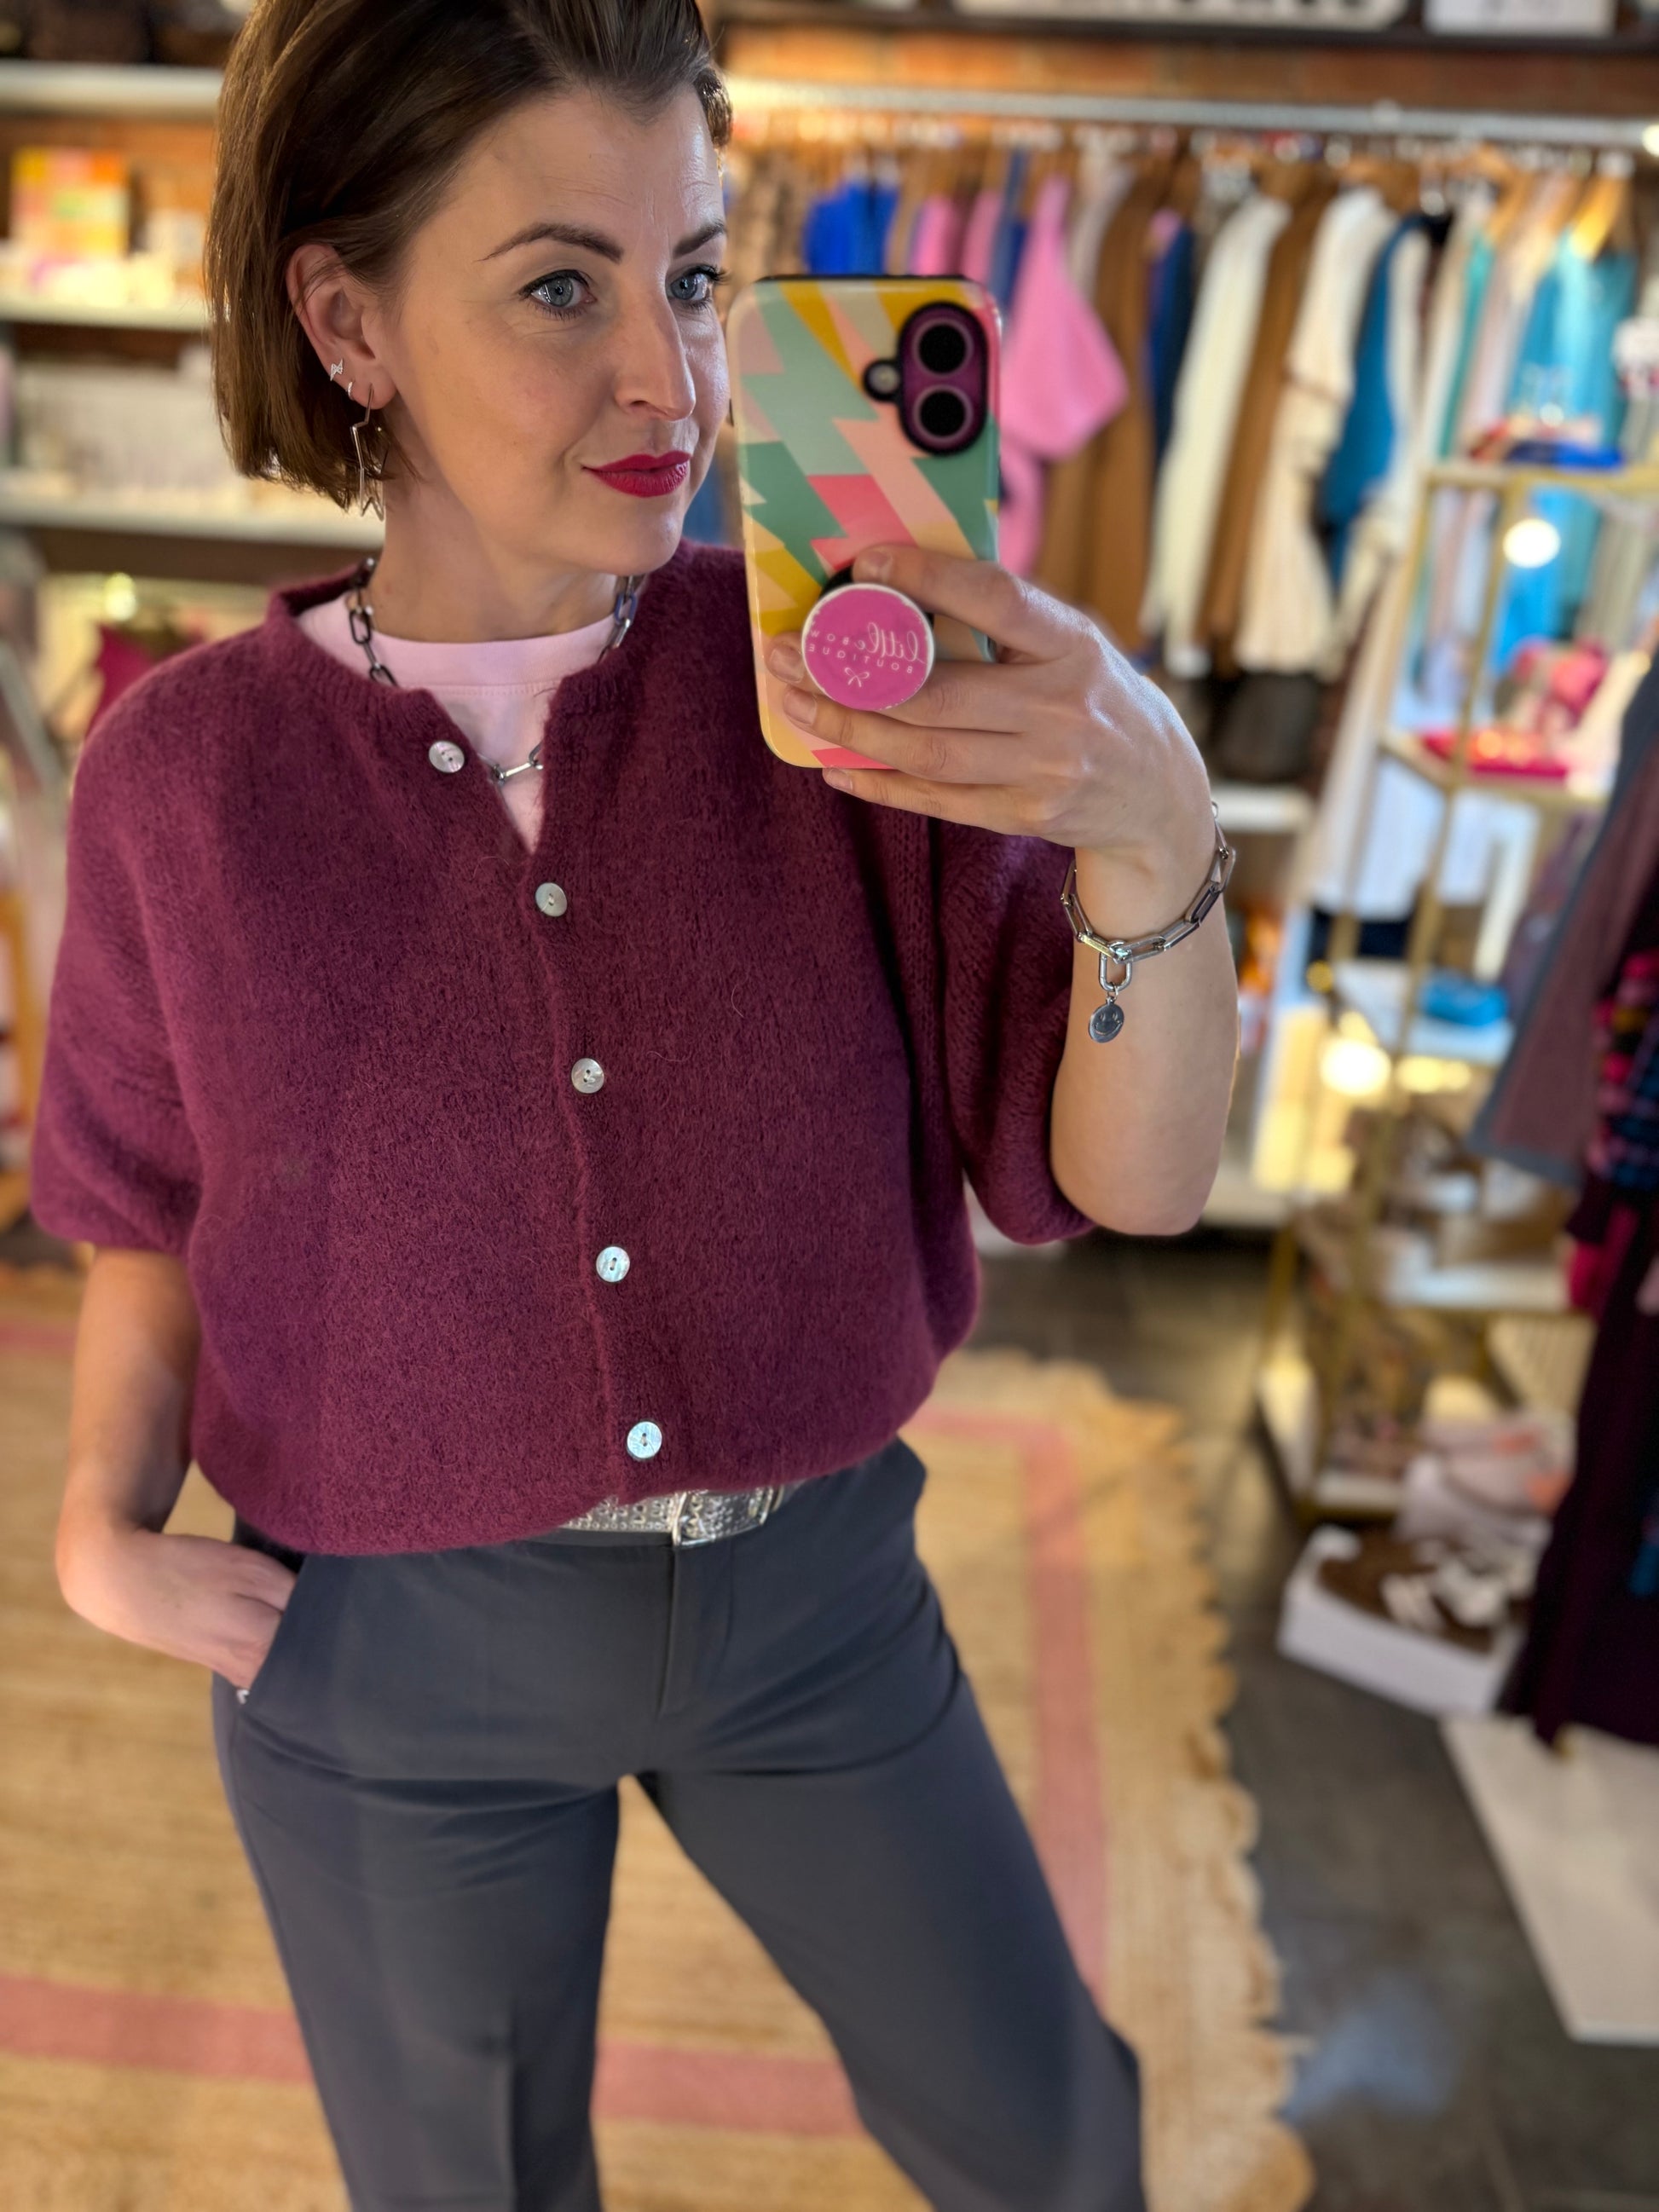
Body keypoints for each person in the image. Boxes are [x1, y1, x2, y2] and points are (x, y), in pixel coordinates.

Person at [36, 3, 1238, 2206]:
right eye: (558, 288)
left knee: (1056, 2140)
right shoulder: (183, 778)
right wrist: (100, 1534)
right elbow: (145, 1197)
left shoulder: (846, 691)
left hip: (822, 1606)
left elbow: (1128, 1185)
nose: (671, 381)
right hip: (392, 1650)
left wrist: (1155, 838)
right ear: (348, 321)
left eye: (691, 276)